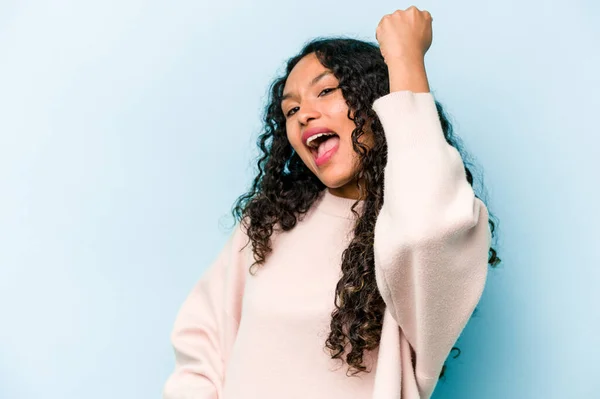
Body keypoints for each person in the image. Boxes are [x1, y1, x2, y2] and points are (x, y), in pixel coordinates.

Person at [163, 6, 501, 399]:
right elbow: (202, 343)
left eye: (326, 90)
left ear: (378, 101)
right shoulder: (269, 224)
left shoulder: (443, 224)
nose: (305, 114)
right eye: (291, 110)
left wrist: (405, 60)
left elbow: (424, 230)